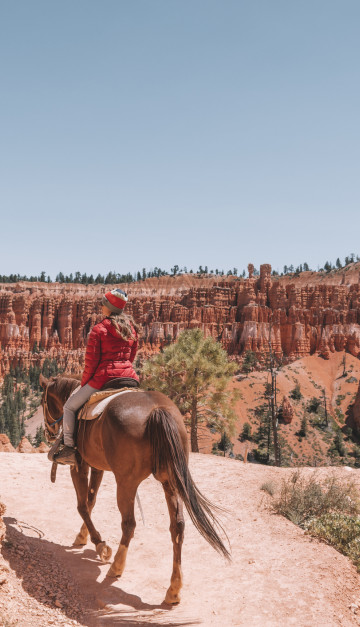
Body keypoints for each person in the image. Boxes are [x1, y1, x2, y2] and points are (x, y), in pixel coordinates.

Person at [55, 288, 140, 465]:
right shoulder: (132, 329)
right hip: (129, 378)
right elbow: (131, 358)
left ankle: (69, 449)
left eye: (104, 303)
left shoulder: (99, 329)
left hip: (104, 378)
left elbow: (91, 363)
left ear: (109, 307)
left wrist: (85, 383)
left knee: (70, 407)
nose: (101, 306)